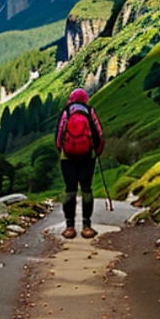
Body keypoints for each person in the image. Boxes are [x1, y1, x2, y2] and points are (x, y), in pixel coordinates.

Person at [55, 88, 104, 239]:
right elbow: (98, 133)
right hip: (87, 157)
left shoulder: (66, 112)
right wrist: (97, 152)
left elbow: (58, 136)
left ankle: (69, 227)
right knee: (86, 189)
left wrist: (63, 150)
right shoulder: (89, 111)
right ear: (85, 99)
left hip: (67, 157)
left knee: (70, 190)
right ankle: (86, 226)